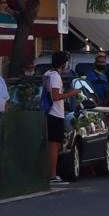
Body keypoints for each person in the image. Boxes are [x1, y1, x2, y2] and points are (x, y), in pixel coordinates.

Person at [44, 51, 80, 184]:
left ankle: (52, 173)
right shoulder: (55, 76)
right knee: (54, 146)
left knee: (56, 145)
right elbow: (56, 96)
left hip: (53, 113)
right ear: (62, 63)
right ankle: (52, 175)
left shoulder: (48, 74)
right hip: (55, 113)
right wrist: (72, 93)